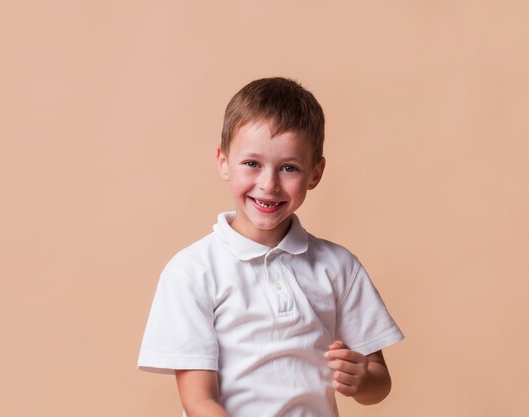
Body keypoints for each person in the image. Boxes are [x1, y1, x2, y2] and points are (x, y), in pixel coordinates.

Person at [137, 77, 404, 417]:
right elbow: (198, 400)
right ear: (223, 161)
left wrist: (363, 379)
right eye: (252, 164)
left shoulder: (339, 266)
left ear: (315, 174)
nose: (268, 184)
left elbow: (379, 384)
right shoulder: (192, 271)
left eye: (289, 168)